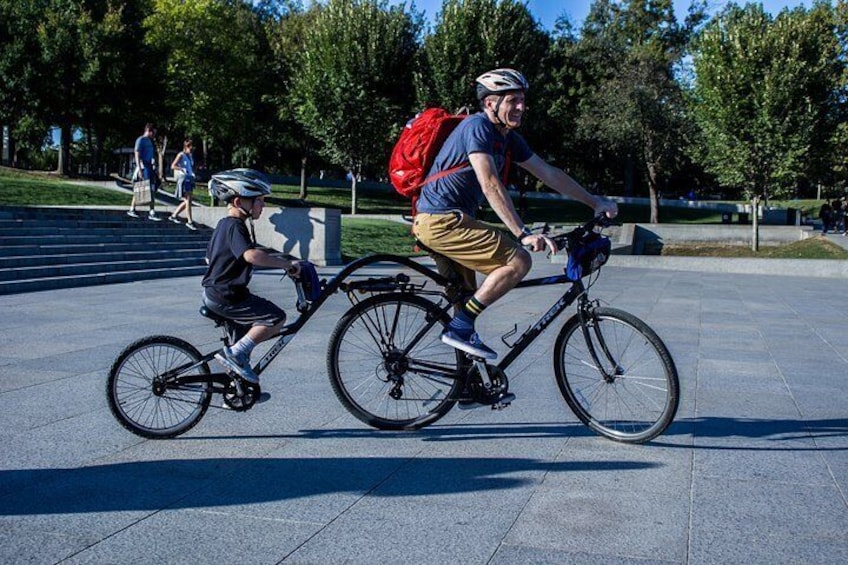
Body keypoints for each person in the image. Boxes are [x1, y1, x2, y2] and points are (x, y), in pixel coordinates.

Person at [412, 68, 618, 363]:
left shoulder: (507, 138)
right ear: (489, 103)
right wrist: (522, 233)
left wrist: (593, 201)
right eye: (512, 100)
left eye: (522, 100)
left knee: (464, 302)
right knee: (518, 260)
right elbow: (490, 182)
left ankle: (466, 385)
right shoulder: (478, 127)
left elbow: (548, 173)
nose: (521, 107)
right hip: (442, 221)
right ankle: (459, 328)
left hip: (451, 222)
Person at [201, 169, 301, 384]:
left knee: (242, 337)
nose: (263, 206)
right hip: (227, 296)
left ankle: (235, 389)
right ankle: (237, 354)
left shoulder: (223, 225)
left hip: (218, 293)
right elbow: (251, 255)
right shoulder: (235, 226)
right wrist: (287, 264)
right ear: (239, 202)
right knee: (275, 318)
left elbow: (209, 259)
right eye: (259, 201)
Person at [127, 123, 161, 221]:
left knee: (151, 188)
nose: (154, 135)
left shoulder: (150, 142)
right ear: (149, 131)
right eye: (153, 133)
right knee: (141, 187)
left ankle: (152, 211)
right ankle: (132, 208)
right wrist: (140, 168)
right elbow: (137, 153)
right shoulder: (140, 140)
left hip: (150, 166)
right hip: (143, 166)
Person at [168, 138, 197, 230]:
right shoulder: (181, 155)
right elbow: (173, 166)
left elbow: (190, 167)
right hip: (184, 178)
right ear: (186, 147)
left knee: (188, 201)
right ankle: (190, 221)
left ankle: (174, 215)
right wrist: (181, 169)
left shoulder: (190, 156)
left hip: (189, 178)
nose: (191, 149)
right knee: (187, 199)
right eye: (190, 147)